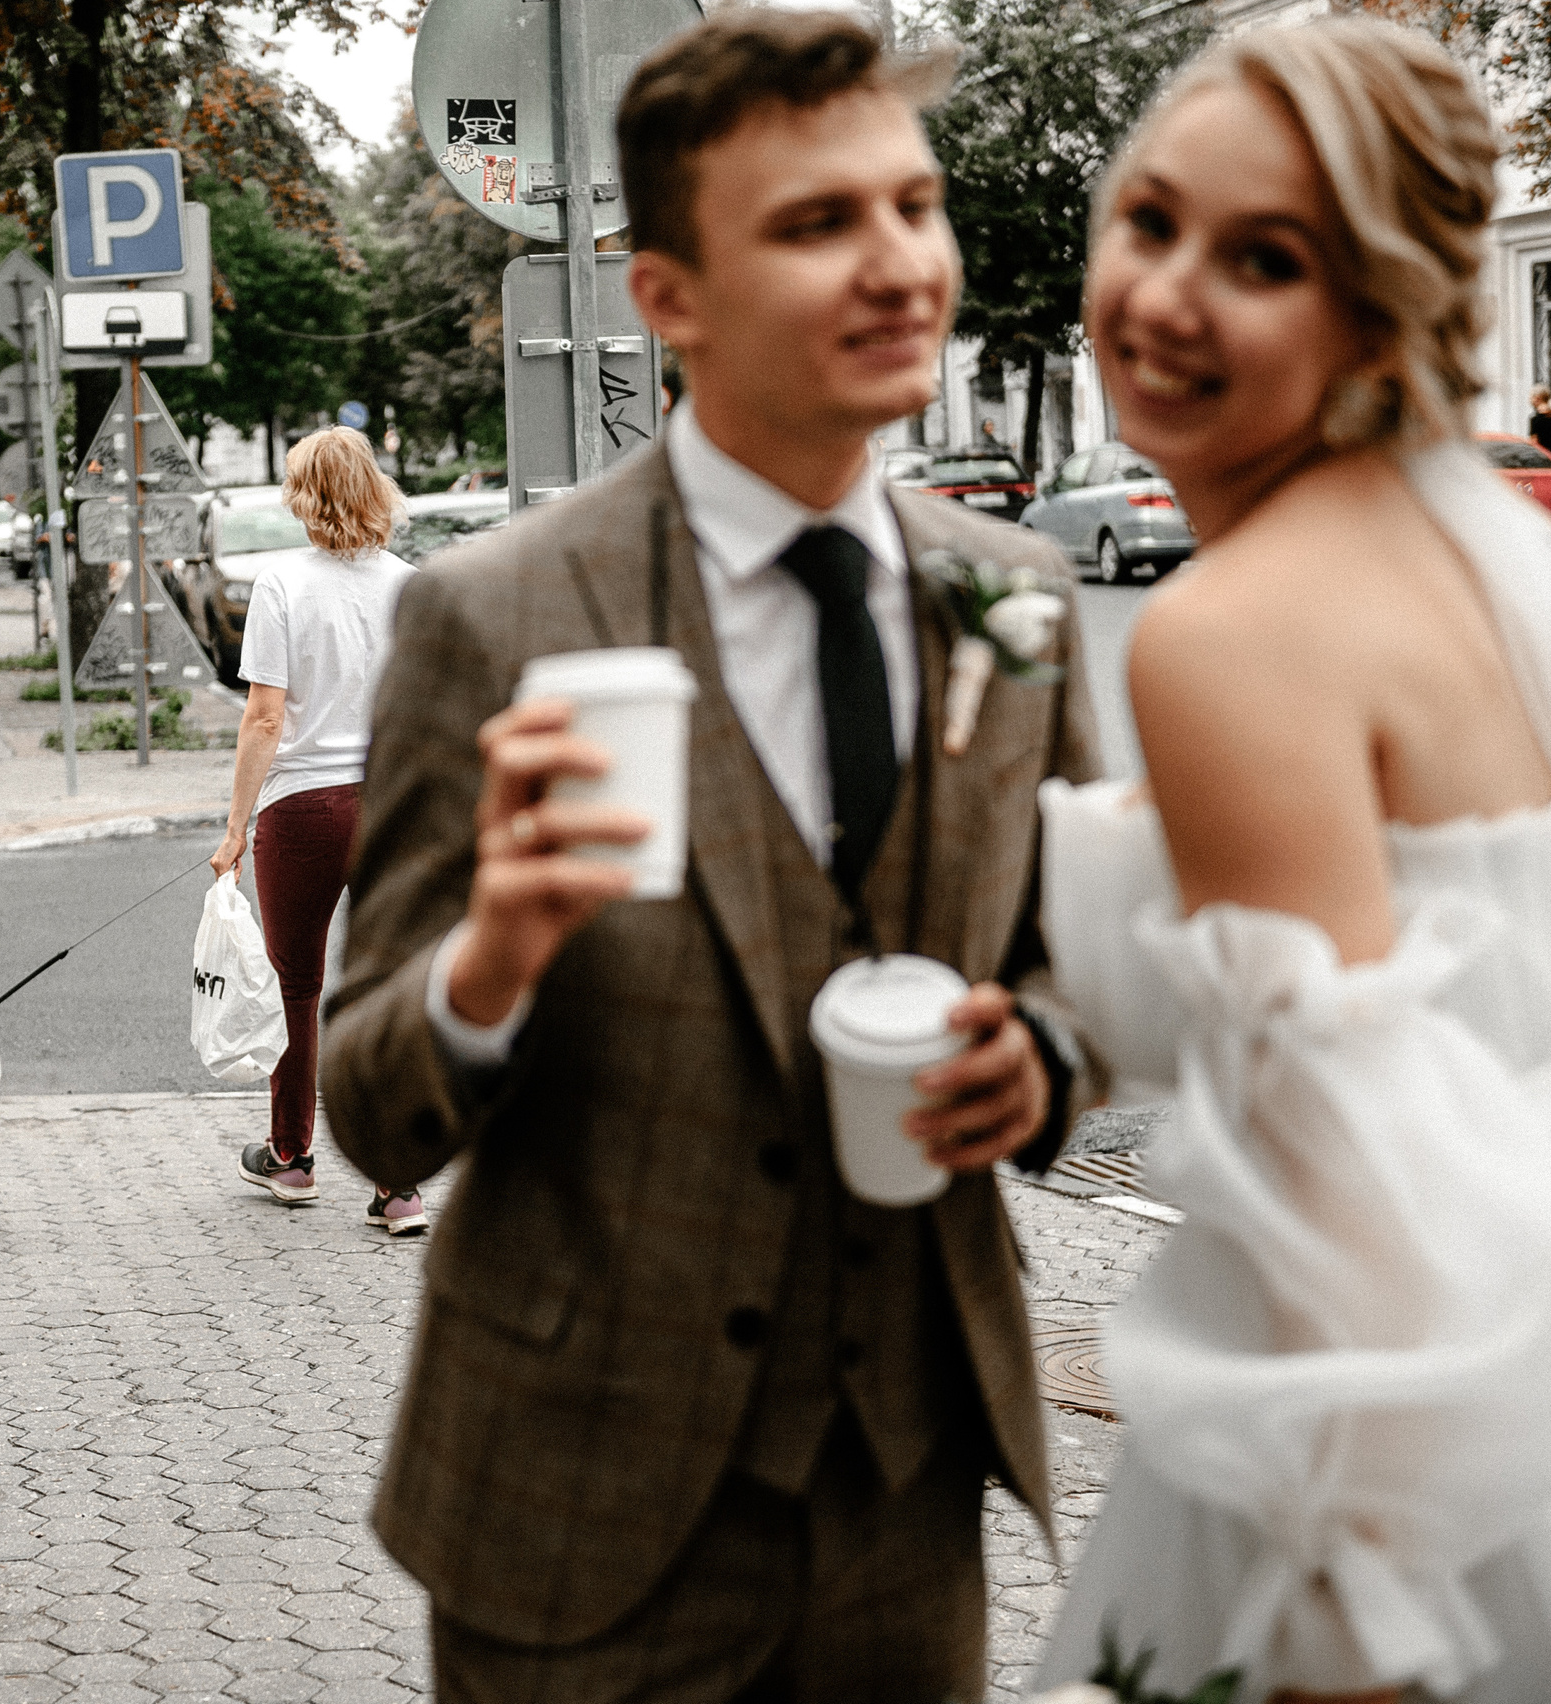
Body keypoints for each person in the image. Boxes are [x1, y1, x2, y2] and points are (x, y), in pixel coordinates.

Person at [318, 13, 1107, 1697]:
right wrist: (491, 960)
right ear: (666, 295)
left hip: (909, 1493)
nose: (898, 264)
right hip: (578, 1506)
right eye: (818, 223)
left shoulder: (1014, 595)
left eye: (914, 206)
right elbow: (368, 1108)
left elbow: (1086, 965)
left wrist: (1039, 1058)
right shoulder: (492, 614)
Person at [1033, 20, 1551, 1701]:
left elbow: (1349, 1177)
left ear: (1372, 312)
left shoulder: (1232, 633)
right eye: (1152, 218)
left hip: (1412, 1400)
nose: (1166, 294)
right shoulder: (1467, 560)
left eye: (1264, 259)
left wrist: (1350, 1616)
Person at [210, 428, 428, 1238]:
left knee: (294, 988)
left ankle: (292, 1158)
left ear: (304, 498)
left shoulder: (281, 584)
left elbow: (265, 717)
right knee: (386, 988)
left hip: (302, 808)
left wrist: (235, 826)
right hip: (391, 803)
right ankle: (398, 1187)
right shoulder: (411, 586)